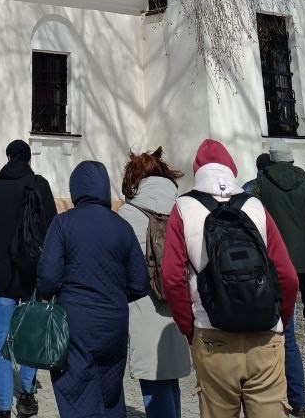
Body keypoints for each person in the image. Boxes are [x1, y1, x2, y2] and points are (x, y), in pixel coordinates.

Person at [161, 138, 299, 418]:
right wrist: (279, 319)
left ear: (197, 170)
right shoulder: (256, 207)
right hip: (265, 334)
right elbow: (287, 276)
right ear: (231, 168)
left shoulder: (183, 209)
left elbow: (172, 278)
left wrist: (191, 329)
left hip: (213, 334)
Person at [36, 159, 150, 418]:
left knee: (77, 394)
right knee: (110, 395)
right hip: (115, 326)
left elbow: (47, 280)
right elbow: (140, 283)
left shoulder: (63, 224)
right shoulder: (122, 226)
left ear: (75, 189)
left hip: (76, 326)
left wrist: (56, 294)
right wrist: (115, 296)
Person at [249, 146, 305, 415]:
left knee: (287, 330)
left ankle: (297, 401)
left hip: (279, 265)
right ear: (292, 160)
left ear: (270, 162)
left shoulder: (261, 186)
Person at [0, 139, 58, 418]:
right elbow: (52, 228)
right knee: (31, 334)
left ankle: (2, 409)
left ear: (9, 157)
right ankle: (26, 392)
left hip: (3, 274)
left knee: (2, 339)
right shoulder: (39, 184)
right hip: (32, 274)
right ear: (27, 159)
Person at [118, 148, 192, 418]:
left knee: (154, 384)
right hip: (178, 307)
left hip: (144, 308)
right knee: (171, 381)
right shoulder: (182, 208)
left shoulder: (127, 214)